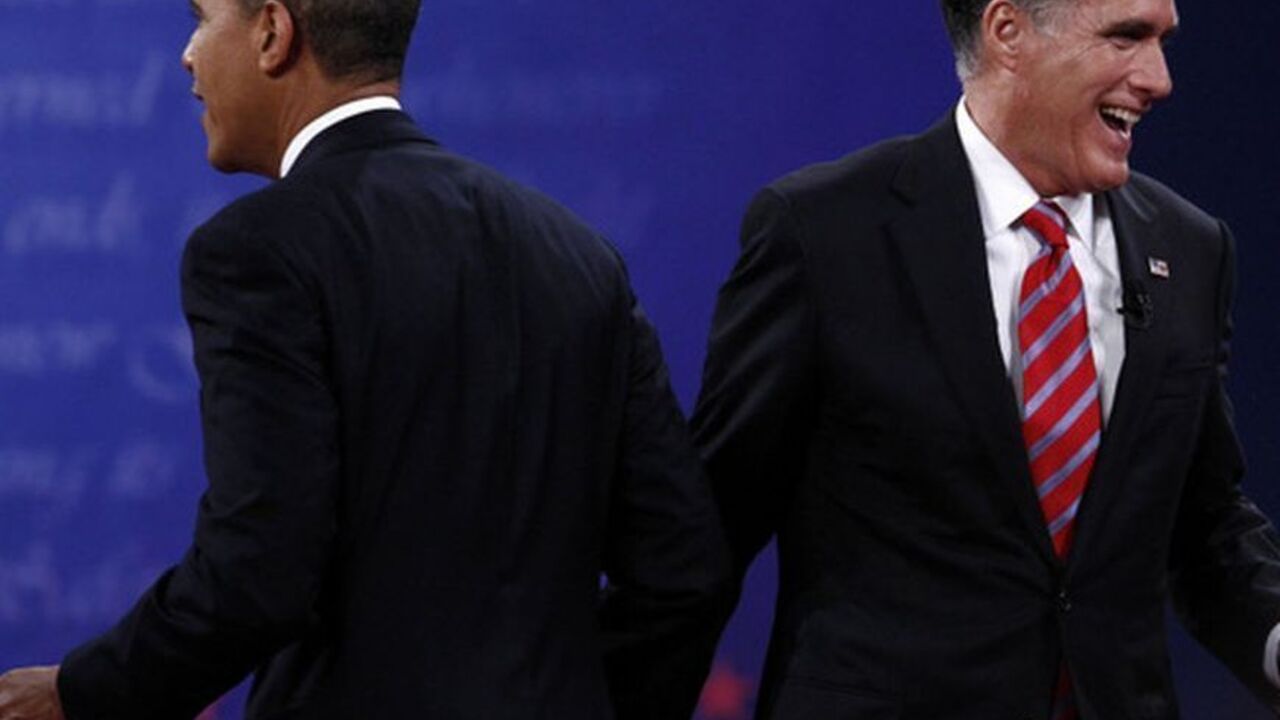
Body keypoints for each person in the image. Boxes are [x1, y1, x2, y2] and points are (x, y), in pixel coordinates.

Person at [0, 0, 729, 716]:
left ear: (273, 33)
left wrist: (80, 693)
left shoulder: (258, 251)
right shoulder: (578, 255)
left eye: (199, 18)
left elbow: (259, 571)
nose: (188, 56)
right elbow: (684, 575)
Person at [690, 0, 1280, 717]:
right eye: (1125, 37)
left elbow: (1206, 522)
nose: (1159, 79)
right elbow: (708, 534)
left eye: (1162, 40)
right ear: (1008, 32)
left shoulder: (1190, 249)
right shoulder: (825, 234)